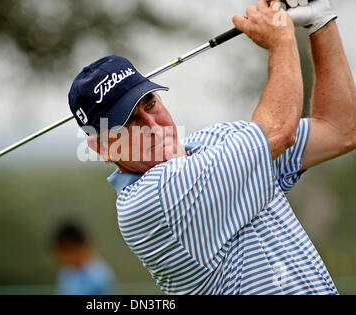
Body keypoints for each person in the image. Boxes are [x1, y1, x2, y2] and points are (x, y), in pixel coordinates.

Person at [68, 0, 355, 294]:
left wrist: (320, 21)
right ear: (102, 148)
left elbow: (340, 129)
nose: (153, 127)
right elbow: (279, 132)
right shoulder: (147, 202)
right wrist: (282, 40)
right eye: (128, 123)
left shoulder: (217, 140)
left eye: (150, 104)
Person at [50, 222, 117, 295]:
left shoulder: (99, 276)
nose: (61, 257)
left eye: (64, 250)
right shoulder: (65, 273)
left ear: (78, 246)